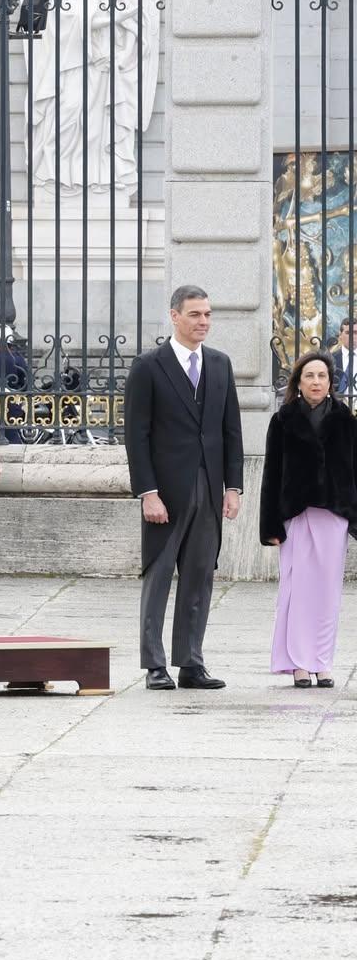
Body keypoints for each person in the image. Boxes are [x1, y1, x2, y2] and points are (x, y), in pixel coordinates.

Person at [124, 285, 244, 691]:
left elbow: (231, 431)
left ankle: (191, 661)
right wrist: (148, 492)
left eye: (208, 314)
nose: (204, 322)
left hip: (210, 488)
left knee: (199, 577)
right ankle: (154, 664)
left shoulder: (220, 364)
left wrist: (234, 487)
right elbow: (136, 436)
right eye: (195, 314)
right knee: (158, 577)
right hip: (166, 492)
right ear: (174, 316)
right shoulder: (148, 366)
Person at [260, 351, 357, 689]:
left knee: (328, 592)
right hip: (295, 513)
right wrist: (270, 525)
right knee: (297, 588)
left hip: (334, 514)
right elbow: (271, 473)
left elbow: (353, 471)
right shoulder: (283, 419)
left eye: (322, 376)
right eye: (309, 376)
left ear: (331, 383)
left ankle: (322, 662)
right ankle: (299, 663)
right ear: (298, 382)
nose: (316, 382)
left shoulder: (345, 418)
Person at [332, 317, 356, 395]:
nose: (352, 336)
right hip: (338, 405)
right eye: (348, 333)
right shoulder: (330, 358)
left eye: (355, 332)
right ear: (340, 335)